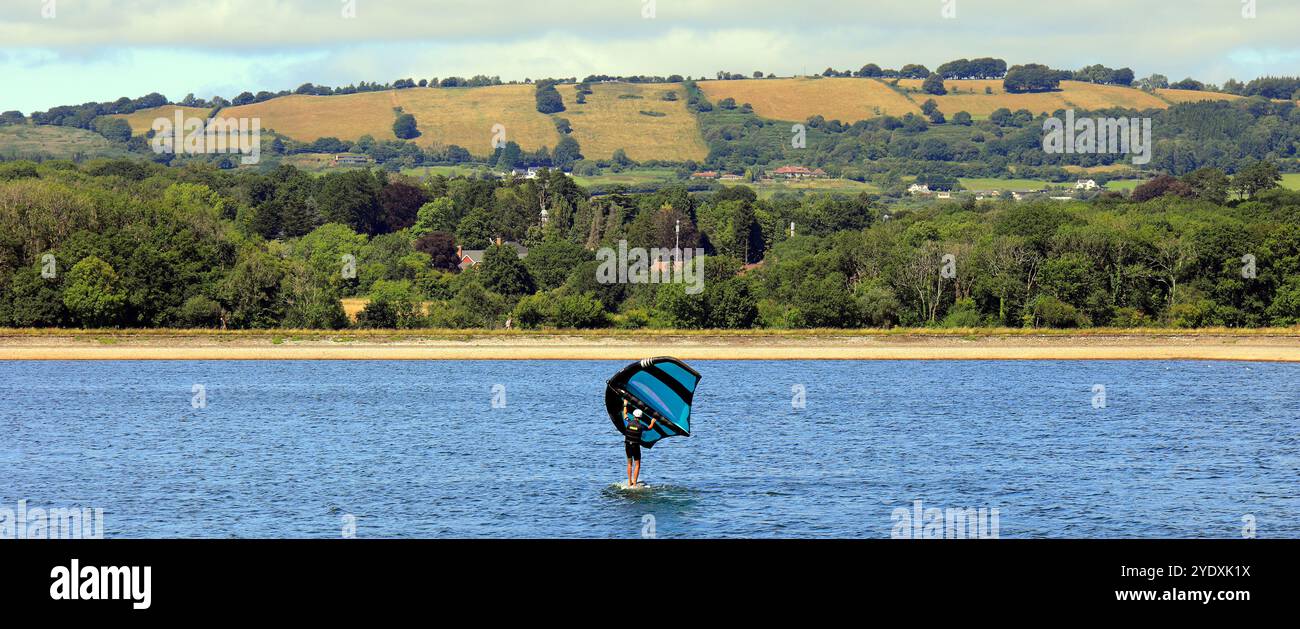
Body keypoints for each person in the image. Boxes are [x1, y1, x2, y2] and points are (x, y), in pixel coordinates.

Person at [623, 399, 656, 487]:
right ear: (640, 417)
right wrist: (652, 422)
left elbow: (625, 414)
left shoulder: (629, 422)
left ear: (633, 416)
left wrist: (625, 404)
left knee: (629, 463)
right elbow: (649, 428)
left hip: (627, 445)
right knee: (637, 465)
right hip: (635, 446)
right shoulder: (641, 426)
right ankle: (634, 485)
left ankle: (629, 482)